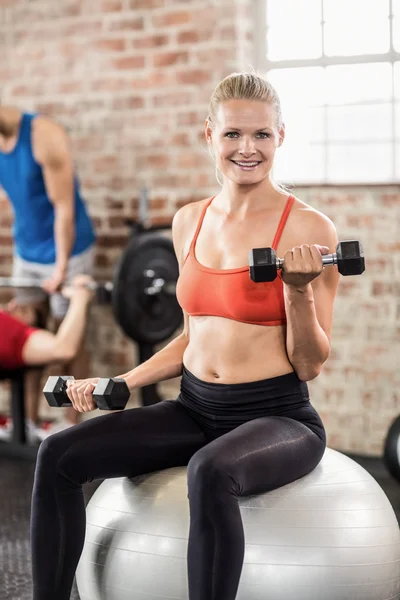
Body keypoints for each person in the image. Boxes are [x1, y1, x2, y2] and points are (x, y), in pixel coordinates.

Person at [30, 72, 340, 600]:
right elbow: (191, 335)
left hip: (278, 417)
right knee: (58, 453)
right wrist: (125, 380)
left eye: (262, 135)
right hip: (195, 408)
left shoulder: (309, 229)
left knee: (211, 471)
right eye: (232, 135)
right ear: (209, 135)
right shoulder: (187, 222)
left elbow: (310, 364)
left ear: (281, 137)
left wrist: (297, 292)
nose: (247, 149)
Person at [0, 106, 96, 439]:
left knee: (69, 335)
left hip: (66, 248)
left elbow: (64, 208)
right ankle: (24, 420)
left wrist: (60, 267)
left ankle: (73, 421)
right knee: (25, 330)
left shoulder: (44, 136)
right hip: (26, 249)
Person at [0, 276, 95, 442]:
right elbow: (64, 349)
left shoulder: (11, 331)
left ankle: (28, 423)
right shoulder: (9, 330)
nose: (15, 305)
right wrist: (80, 297)